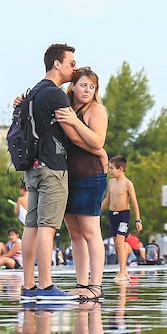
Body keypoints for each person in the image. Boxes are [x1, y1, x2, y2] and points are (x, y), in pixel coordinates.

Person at [18, 43, 81, 303]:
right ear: (57, 63)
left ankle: (29, 286)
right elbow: (72, 132)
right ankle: (46, 286)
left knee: (31, 226)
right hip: (52, 167)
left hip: (31, 168)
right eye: (71, 63)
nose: (74, 67)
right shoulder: (56, 95)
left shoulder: (33, 92)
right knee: (47, 228)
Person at [59, 67, 110, 301]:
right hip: (68, 177)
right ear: (73, 86)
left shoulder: (96, 110)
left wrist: (75, 122)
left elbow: (97, 140)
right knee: (75, 234)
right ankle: (81, 283)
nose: (87, 90)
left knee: (91, 232)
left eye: (92, 86)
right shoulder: (66, 106)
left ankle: (96, 285)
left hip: (90, 175)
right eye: (83, 85)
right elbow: (77, 141)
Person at [100, 155, 140, 287]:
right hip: (112, 215)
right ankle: (126, 254)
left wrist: (137, 220)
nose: (109, 171)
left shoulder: (128, 184)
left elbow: (134, 202)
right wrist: (97, 211)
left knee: (118, 242)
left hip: (124, 215)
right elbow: (108, 199)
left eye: (111, 168)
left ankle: (122, 271)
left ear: (120, 169)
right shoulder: (111, 182)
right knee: (117, 245)